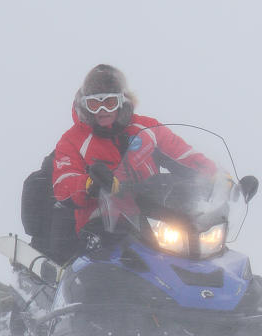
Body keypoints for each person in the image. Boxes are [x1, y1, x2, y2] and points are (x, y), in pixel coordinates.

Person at [51, 64, 218, 244]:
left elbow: (184, 155)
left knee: (201, 247)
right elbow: (63, 184)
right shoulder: (72, 140)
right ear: (85, 106)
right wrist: (90, 183)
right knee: (119, 262)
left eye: (109, 103)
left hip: (154, 215)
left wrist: (220, 178)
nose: (102, 111)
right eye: (94, 104)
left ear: (122, 101)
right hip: (103, 223)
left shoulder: (147, 128)